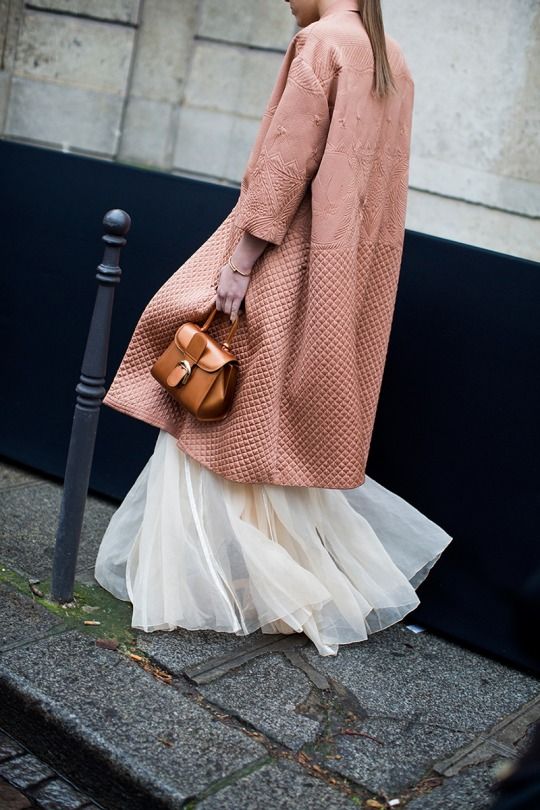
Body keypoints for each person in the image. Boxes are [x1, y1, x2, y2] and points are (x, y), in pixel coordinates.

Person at [94, 0, 453, 656]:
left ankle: (208, 586)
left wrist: (238, 265)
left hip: (285, 262)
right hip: (343, 276)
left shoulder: (322, 43)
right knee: (264, 430)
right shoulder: (391, 57)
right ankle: (272, 584)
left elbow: (287, 167)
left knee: (208, 416)